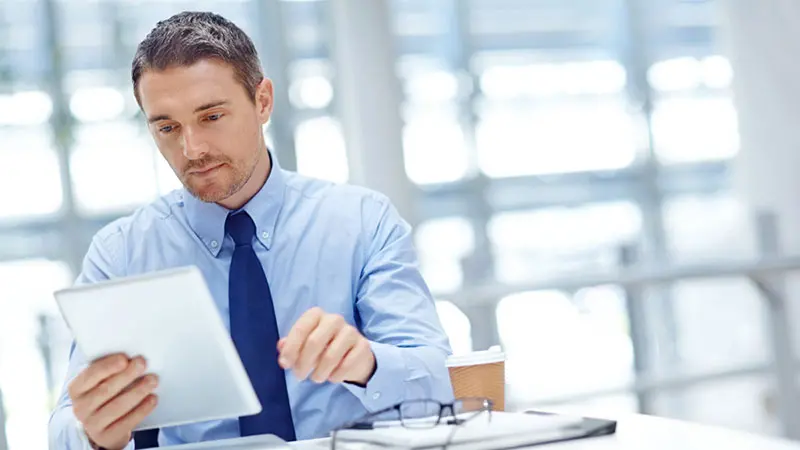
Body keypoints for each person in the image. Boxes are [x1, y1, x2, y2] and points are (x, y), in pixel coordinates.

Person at [48, 11, 453, 450]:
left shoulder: (362, 222)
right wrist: (91, 434)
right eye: (167, 127)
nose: (192, 149)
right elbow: (64, 425)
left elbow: (436, 376)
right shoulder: (121, 253)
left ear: (262, 101)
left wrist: (369, 363)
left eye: (212, 116)